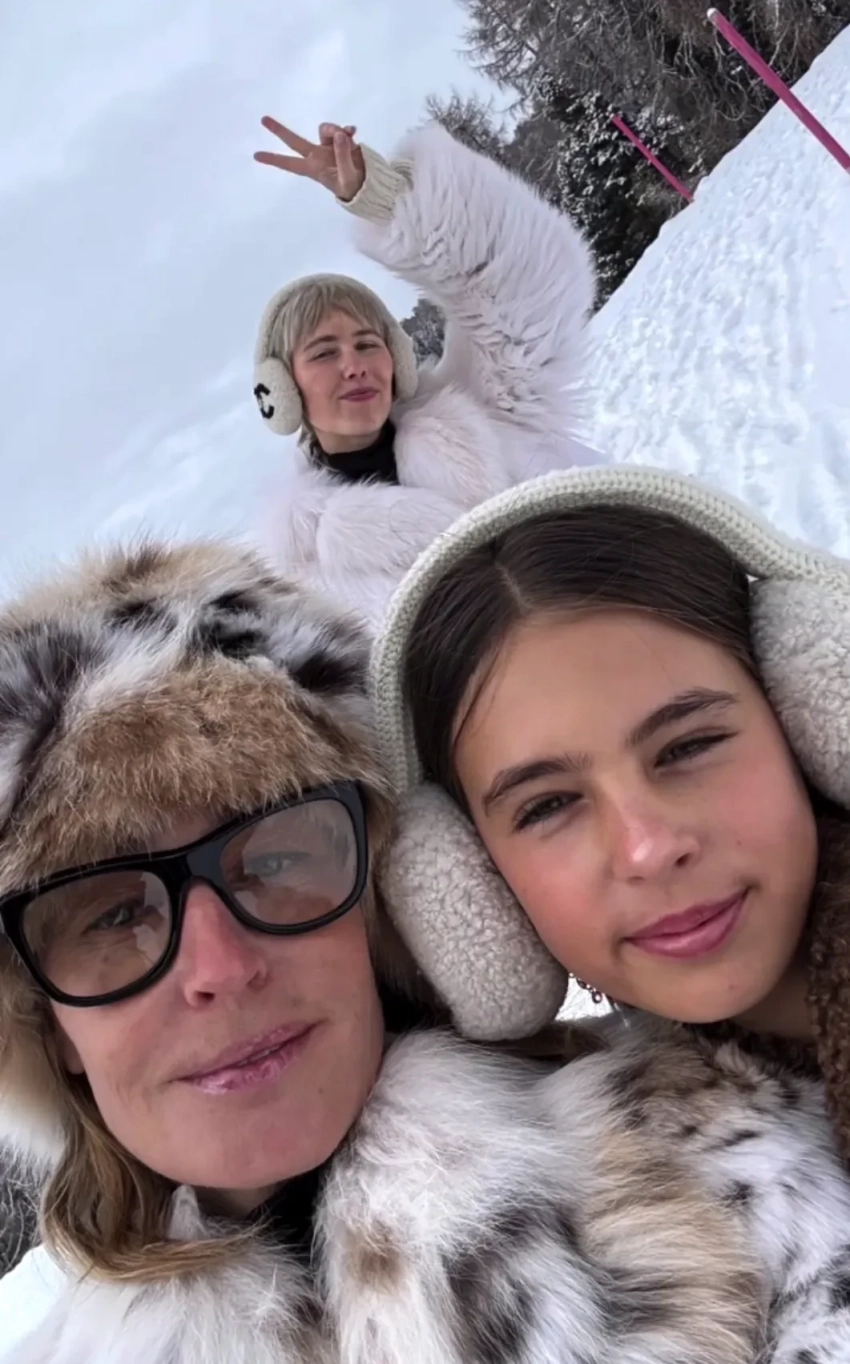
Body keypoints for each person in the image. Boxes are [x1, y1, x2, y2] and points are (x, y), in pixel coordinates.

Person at [3, 538, 850, 1362]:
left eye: (275, 861)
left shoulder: (742, 1175)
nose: (221, 968)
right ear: (43, 1021)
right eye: (112, 917)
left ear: (386, 903)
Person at [370, 464, 850, 1162]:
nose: (646, 848)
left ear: (807, 717)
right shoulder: (626, 1162)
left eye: (687, 747)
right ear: (478, 881)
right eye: (549, 805)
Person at [250, 116, 598, 629]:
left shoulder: (486, 406)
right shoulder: (296, 584)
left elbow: (532, 283)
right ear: (280, 389)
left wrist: (384, 198)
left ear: (397, 357)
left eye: (368, 343)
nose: (354, 366)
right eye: (324, 353)